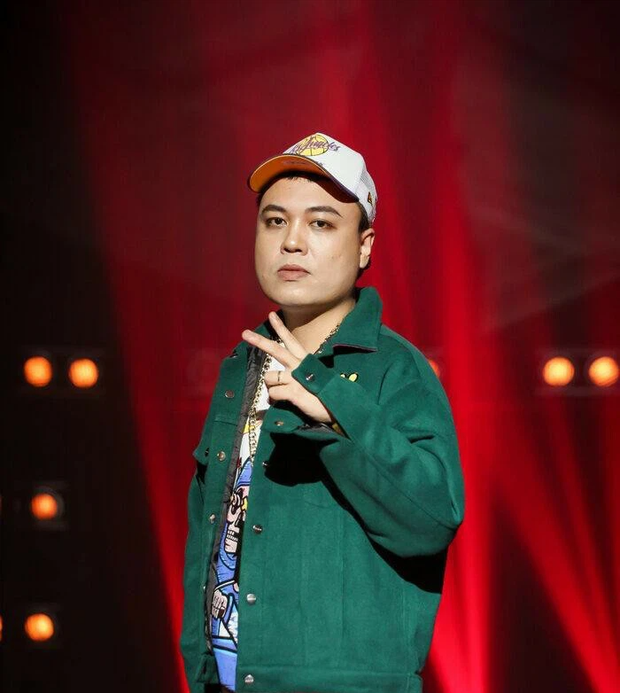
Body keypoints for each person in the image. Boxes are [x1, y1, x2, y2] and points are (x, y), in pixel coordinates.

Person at [180, 132, 465, 693]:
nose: (291, 242)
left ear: (364, 247)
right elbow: (210, 533)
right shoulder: (242, 366)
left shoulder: (395, 368)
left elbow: (431, 522)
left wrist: (337, 412)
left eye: (321, 223)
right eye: (274, 221)